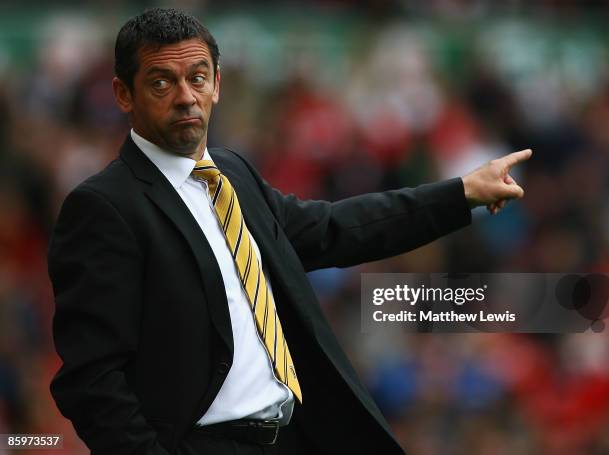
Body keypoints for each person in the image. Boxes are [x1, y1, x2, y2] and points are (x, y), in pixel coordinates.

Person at [47, 8, 531, 455]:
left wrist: (460, 193)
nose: (185, 97)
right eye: (161, 83)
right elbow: (92, 379)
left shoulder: (234, 174)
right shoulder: (104, 207)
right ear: (123, 94)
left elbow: (336, 228)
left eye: (196, 78)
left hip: (292, 438)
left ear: (217, 84)